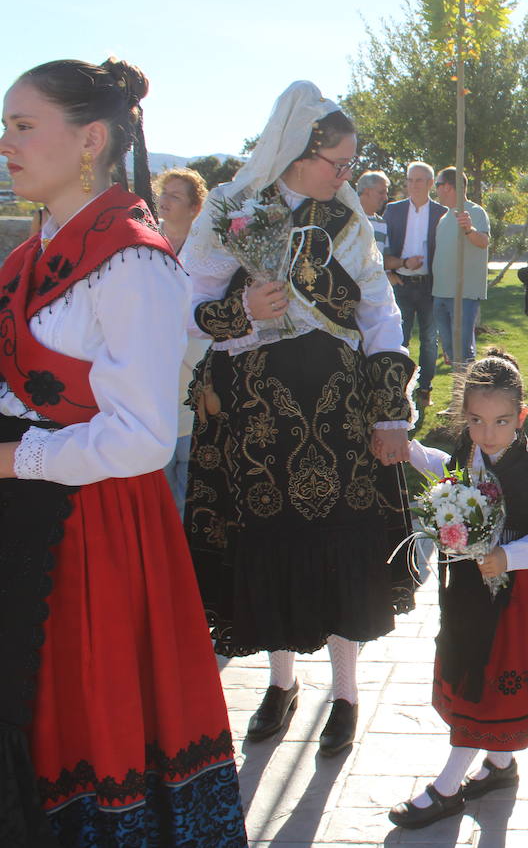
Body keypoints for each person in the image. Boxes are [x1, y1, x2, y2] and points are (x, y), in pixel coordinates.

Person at [0, 58, 248, 845]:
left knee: (88, 725)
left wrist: (12, 462)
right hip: (30, 527)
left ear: (91, 140)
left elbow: (142, 438)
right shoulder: (33, 254)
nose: (6, 143)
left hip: (92, 532)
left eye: (22, 125)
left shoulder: (135, 262)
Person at [182, 81, 417, 758]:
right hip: (254, 413)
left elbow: (379, 313)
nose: (345, 177)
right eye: (337, 163)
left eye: (349, 165)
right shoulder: (231, 208)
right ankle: (280, 684)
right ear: (297, 152)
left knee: (341, 542)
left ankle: (344, 694)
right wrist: (242, 311)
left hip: (336, 409)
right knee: (270, 540)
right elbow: (187, 297)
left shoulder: (346, 221)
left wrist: (390, 413)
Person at [390, 350, 528, 829]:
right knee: (468, 667)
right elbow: (454, 477)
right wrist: (409, 450)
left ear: (522, 417)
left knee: (481, 685)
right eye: (476, 420)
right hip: (470, 594)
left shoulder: (525, 470)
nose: (488, 433)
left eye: (501, 421)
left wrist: (506, 556)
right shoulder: (473, 450)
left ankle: (447, 788)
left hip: (506, 602)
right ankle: (499, 765)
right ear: (464, 416)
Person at [153, 167, 213, 511]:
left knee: (189, 473)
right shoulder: (143, 243)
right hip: (154, 368)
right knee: (155, 476)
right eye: (164, 193)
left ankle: (186, 552)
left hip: (195, 367)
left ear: (195, 207)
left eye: (176, 196)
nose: (165, 201)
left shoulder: (207, 253)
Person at [383, 161, 448, 409]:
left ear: (431, 184)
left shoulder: (442, 213)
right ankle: (400, 386)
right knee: (399, 338)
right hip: (401, 284)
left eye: (418, 180)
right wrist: (390, 270)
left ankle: (425, 388)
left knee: (430, 339)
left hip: (431, 285)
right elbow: (382, 244)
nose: (413, 185)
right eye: (409, 179)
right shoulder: (393, 210)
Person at [432, 167, 490, 367]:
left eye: (437, 185)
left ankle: (468, 392)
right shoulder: (444, 217)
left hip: (463, 294)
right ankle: (461, 392)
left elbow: (483, 241)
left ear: (448, 187)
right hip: (441, 293)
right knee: (450, 351)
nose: (436, 190)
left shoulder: (474, 212)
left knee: (463, 352)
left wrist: (469, 229)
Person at [357, 169, 391, 256]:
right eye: (381, 192)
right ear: (367, 191)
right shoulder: (347, 218)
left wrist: (405, 263)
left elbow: (384, 262)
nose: (385, 198)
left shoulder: (382, 224)